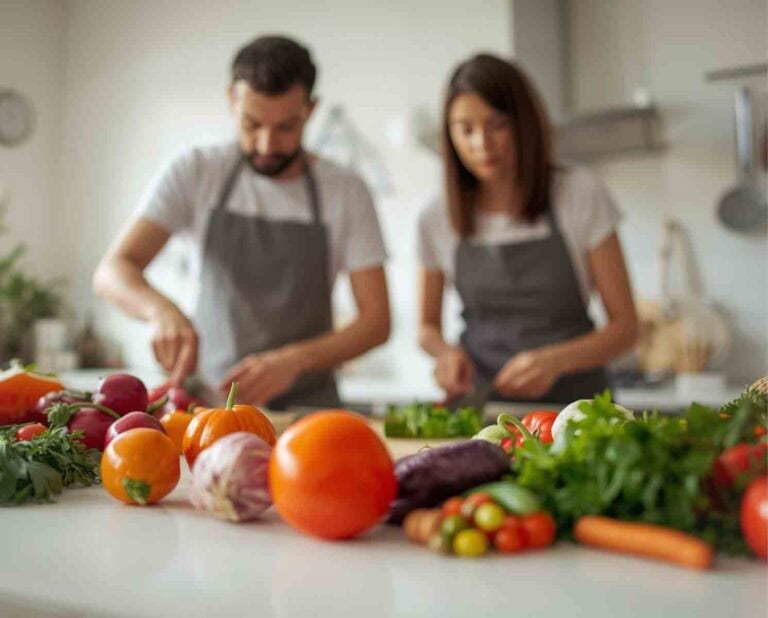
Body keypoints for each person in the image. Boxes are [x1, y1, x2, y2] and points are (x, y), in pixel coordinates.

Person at [93, 35, 390, 409]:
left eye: (286, 128)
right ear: (232, 100)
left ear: (311, 111)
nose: (267, 145)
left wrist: (294, 360)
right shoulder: (197, 171)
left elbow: (376, 321)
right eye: (252, 124)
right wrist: (160, 310)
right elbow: (112, 270)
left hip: (309, 410)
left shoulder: (346, 191)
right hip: (208, 406)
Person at [418, 54, 638, 404]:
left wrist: (554, 361)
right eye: (466, 129)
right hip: (482, 408)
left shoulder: (580, 194)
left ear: (525, 124)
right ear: (449, 133)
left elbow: (626, 329)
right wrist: (445, 354)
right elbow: (426, 328)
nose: (482, 144)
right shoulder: (435, 217)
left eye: (498, 125)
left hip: (576, 411)